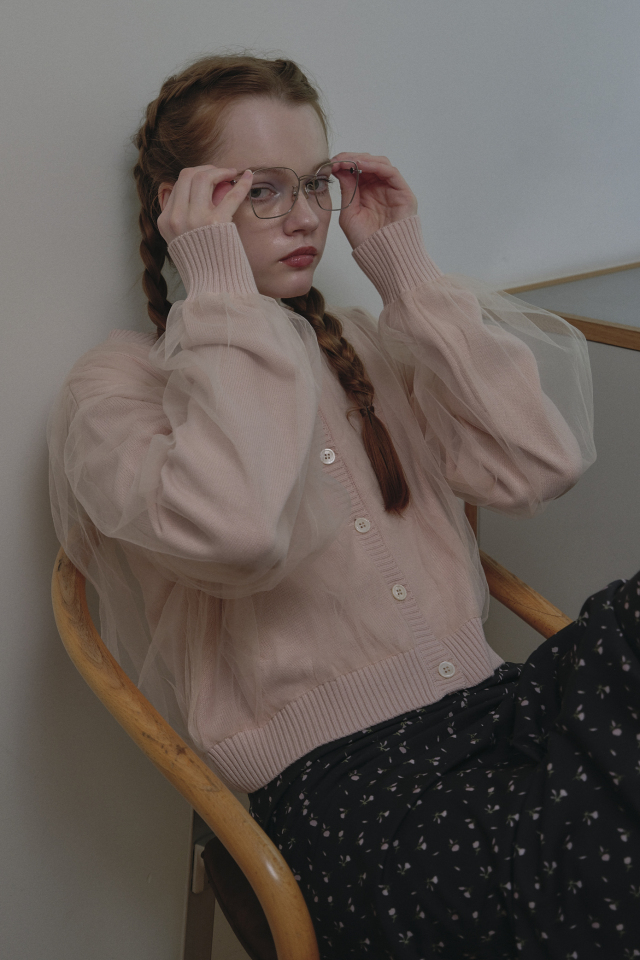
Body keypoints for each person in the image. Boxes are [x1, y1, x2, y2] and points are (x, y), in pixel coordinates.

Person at [47, 54, 640, 958]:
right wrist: (219, 292)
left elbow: (538, 466)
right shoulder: (117, 389)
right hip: (358, 798)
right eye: (260, 190)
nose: (305, 217)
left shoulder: (361, 344)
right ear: (182, 206)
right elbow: (241, 534)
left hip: (498, 714)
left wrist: (404, 269)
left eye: (315, 182)